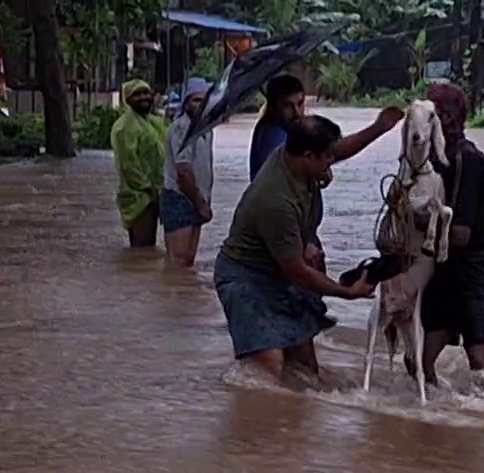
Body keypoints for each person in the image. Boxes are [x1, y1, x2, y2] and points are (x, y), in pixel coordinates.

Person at [214, 116, 376, 382]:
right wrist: (346, 292)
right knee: (266, 370)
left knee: (305, 370)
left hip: (279, 274)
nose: (331, 162)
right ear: (308, 157)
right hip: (245, 278)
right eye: (327, 158)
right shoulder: (276, 199)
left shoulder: (295, 158)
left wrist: (379, 127)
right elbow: (297, 270)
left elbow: (339, 149)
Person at [419, 83, 484, 378]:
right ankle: (434, 416)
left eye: (438, 116)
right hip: (443, 263)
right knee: (417, 361)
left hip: (475, 265)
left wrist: (416, 221)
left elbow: (461, 233)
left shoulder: (467, 159)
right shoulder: (427, 161)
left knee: (480, 361)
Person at [248, 74, 403, 186]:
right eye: (288, 106)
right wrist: (378, 127)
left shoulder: (283, 129)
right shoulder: (274, 137)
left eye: (300, 104)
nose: (297, 112)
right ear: (274, 107)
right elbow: (333, 150)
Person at [160, 77, 214, 268]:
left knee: (187, 262)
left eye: (203, 100)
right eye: (195, 100)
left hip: (196, 198)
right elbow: (183, 171)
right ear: (186, 102)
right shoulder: (182, 128)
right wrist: (201, 205)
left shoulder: (205, 128)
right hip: (180, 197)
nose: (200, 105)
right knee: (178, 261)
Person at [110, 79, 168, 248]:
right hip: (138, 195)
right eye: (137, 94)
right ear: (127, 98)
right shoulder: (124, 127)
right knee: (142, 248)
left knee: (149, 252)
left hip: (157, 190)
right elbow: (128, 164)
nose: (143, 97)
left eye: (146, 93)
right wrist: (148, 188)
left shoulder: (154, 122)